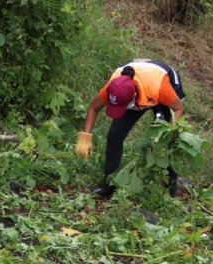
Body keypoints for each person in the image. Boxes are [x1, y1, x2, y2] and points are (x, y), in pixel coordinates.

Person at [75, 59, 185, 197]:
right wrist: (85, 137)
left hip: (160, 86)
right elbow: (93, 107)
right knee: (115, 134)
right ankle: (108, 183)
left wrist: (172, 131)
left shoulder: (160, 88)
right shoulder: (114, 86)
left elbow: (179, 107)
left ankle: (171, 188)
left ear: (133, 97)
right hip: (137, 88)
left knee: (163, 140)